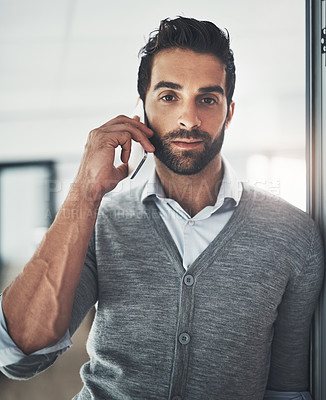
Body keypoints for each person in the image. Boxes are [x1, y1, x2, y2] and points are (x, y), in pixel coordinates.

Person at [0, 16, 324, 400]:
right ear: (142, 111)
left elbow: (288, 389)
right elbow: (20, 354)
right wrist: (85, 190)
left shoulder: (294, 235)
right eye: (169, 97)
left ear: (229, 113)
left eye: (207, 99)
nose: (189, 118)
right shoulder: (100, 222)